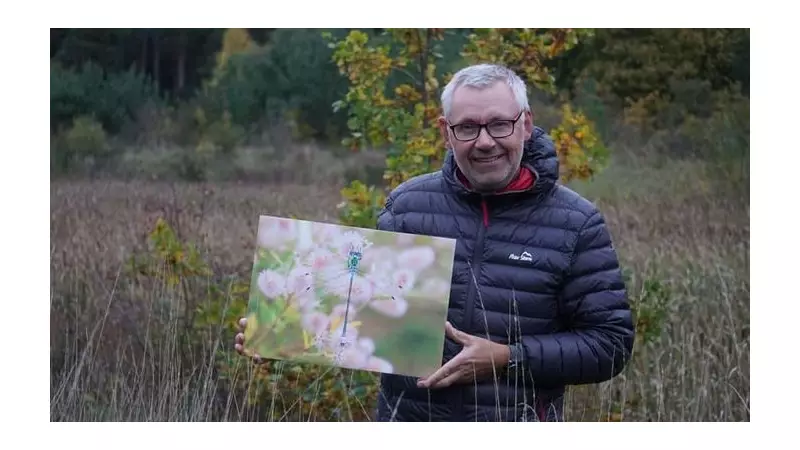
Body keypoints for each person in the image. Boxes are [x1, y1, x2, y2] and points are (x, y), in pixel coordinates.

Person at [234, 63, 635, 422]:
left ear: (525, 125)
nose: (484, 141)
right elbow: (368, 315)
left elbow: (611, 345)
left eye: (499, 124)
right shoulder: (407, 206)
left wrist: (507, 358)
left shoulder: (575, 223)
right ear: (446, 132)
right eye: (467, 127)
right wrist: (282, 327)